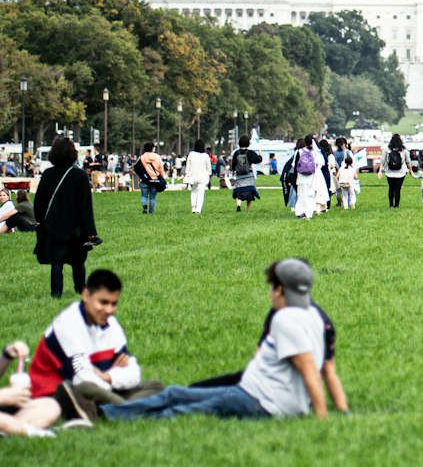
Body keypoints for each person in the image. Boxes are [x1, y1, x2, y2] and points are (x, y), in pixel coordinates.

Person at [68, 260, 350, 424]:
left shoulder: (284, 319)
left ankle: (108, 416)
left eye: (271, 287)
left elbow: (311, 372)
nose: (269, 294)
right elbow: (325, 369)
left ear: (280, 289)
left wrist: (322, 419)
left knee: (180, 408)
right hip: (254, 392)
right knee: (173, 393)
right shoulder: (314, 314)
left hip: (260, 400)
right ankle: (106, 412)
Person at [29, 267, 160, 404]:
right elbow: (82, 380)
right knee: (88, 389)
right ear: (86, 295)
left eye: (113, 304)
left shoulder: (110, 322)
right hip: (55, 397)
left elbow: (134, 372)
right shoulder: (67, 324)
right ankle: (128, 408)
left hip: (103, 387)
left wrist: (108, 376)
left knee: (155, 385)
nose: (109, 310)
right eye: (103, 302)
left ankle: (123, 409)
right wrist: (113, 376)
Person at [32, 136, 100, 298]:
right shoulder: (80, 176)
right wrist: (90, 231)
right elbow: (86, 207)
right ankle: (80, 290)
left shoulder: (47, 174)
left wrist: (42, 220)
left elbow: (39, 202)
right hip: (75, 228)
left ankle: (56, 294)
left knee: (56, 262)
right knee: (78, 262)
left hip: (53, 226)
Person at [230, 136, 262, 214]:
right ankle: (247, 210)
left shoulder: (236, 153)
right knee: (250, 192)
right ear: (248, 143)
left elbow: (233, 164)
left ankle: (238, 205)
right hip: (249, 175)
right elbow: (259, 160)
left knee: (239, 191)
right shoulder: (250, 153)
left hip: (239, 175)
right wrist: (260, 152)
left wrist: (233, 171)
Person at [380, 133, 411, 208]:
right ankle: (396, 205)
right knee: (398, 189)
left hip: (389, 172)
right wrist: (411, 170)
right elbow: (408, 161)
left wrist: (380, 171)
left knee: (391, 188)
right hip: (401, 173)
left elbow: (383, 161)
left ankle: (391, 205)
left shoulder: (386, 149)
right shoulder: (404, 149)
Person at [135, 140, 166, 215]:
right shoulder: (157, 157)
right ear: (153, 148)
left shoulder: (141, 157)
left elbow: (137, 168)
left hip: (145, 180)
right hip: (155, 180)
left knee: (144, 196)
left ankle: (144, 205)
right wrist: (162, 178)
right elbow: (161, 169)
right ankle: (151, 212)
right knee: (152, 197)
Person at [293, 135, 321, 219]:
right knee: (310, 196)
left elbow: (294, 165)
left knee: (301, 195)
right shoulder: (315, 152)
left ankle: (300, 212)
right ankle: (308, 213)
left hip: (301, 177)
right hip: (312, 178)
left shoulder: (298, 151)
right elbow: (318, 165)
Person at [184, 140, 213, 215]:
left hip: (193, 175)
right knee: (201, 193)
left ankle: (193, 207)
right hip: (203, 176)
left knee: (193, 191)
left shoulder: (191, 154)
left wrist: (187, 173)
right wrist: (209, 174)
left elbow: (188, 166)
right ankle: (198, 209)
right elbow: (209, 168)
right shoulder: (205, 155)